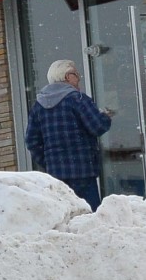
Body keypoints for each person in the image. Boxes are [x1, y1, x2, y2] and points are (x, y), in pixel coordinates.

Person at [24, 59, 112, 210]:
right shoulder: (78, 99)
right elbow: (97, 127)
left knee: (66, 213)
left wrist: (48, 162)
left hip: (56, 174)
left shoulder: (38, 106)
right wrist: (105, 116)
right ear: (67, 77)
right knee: (90, 213)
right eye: (76, 74)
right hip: (83, 170)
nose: (79, 78)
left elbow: (32, 142)